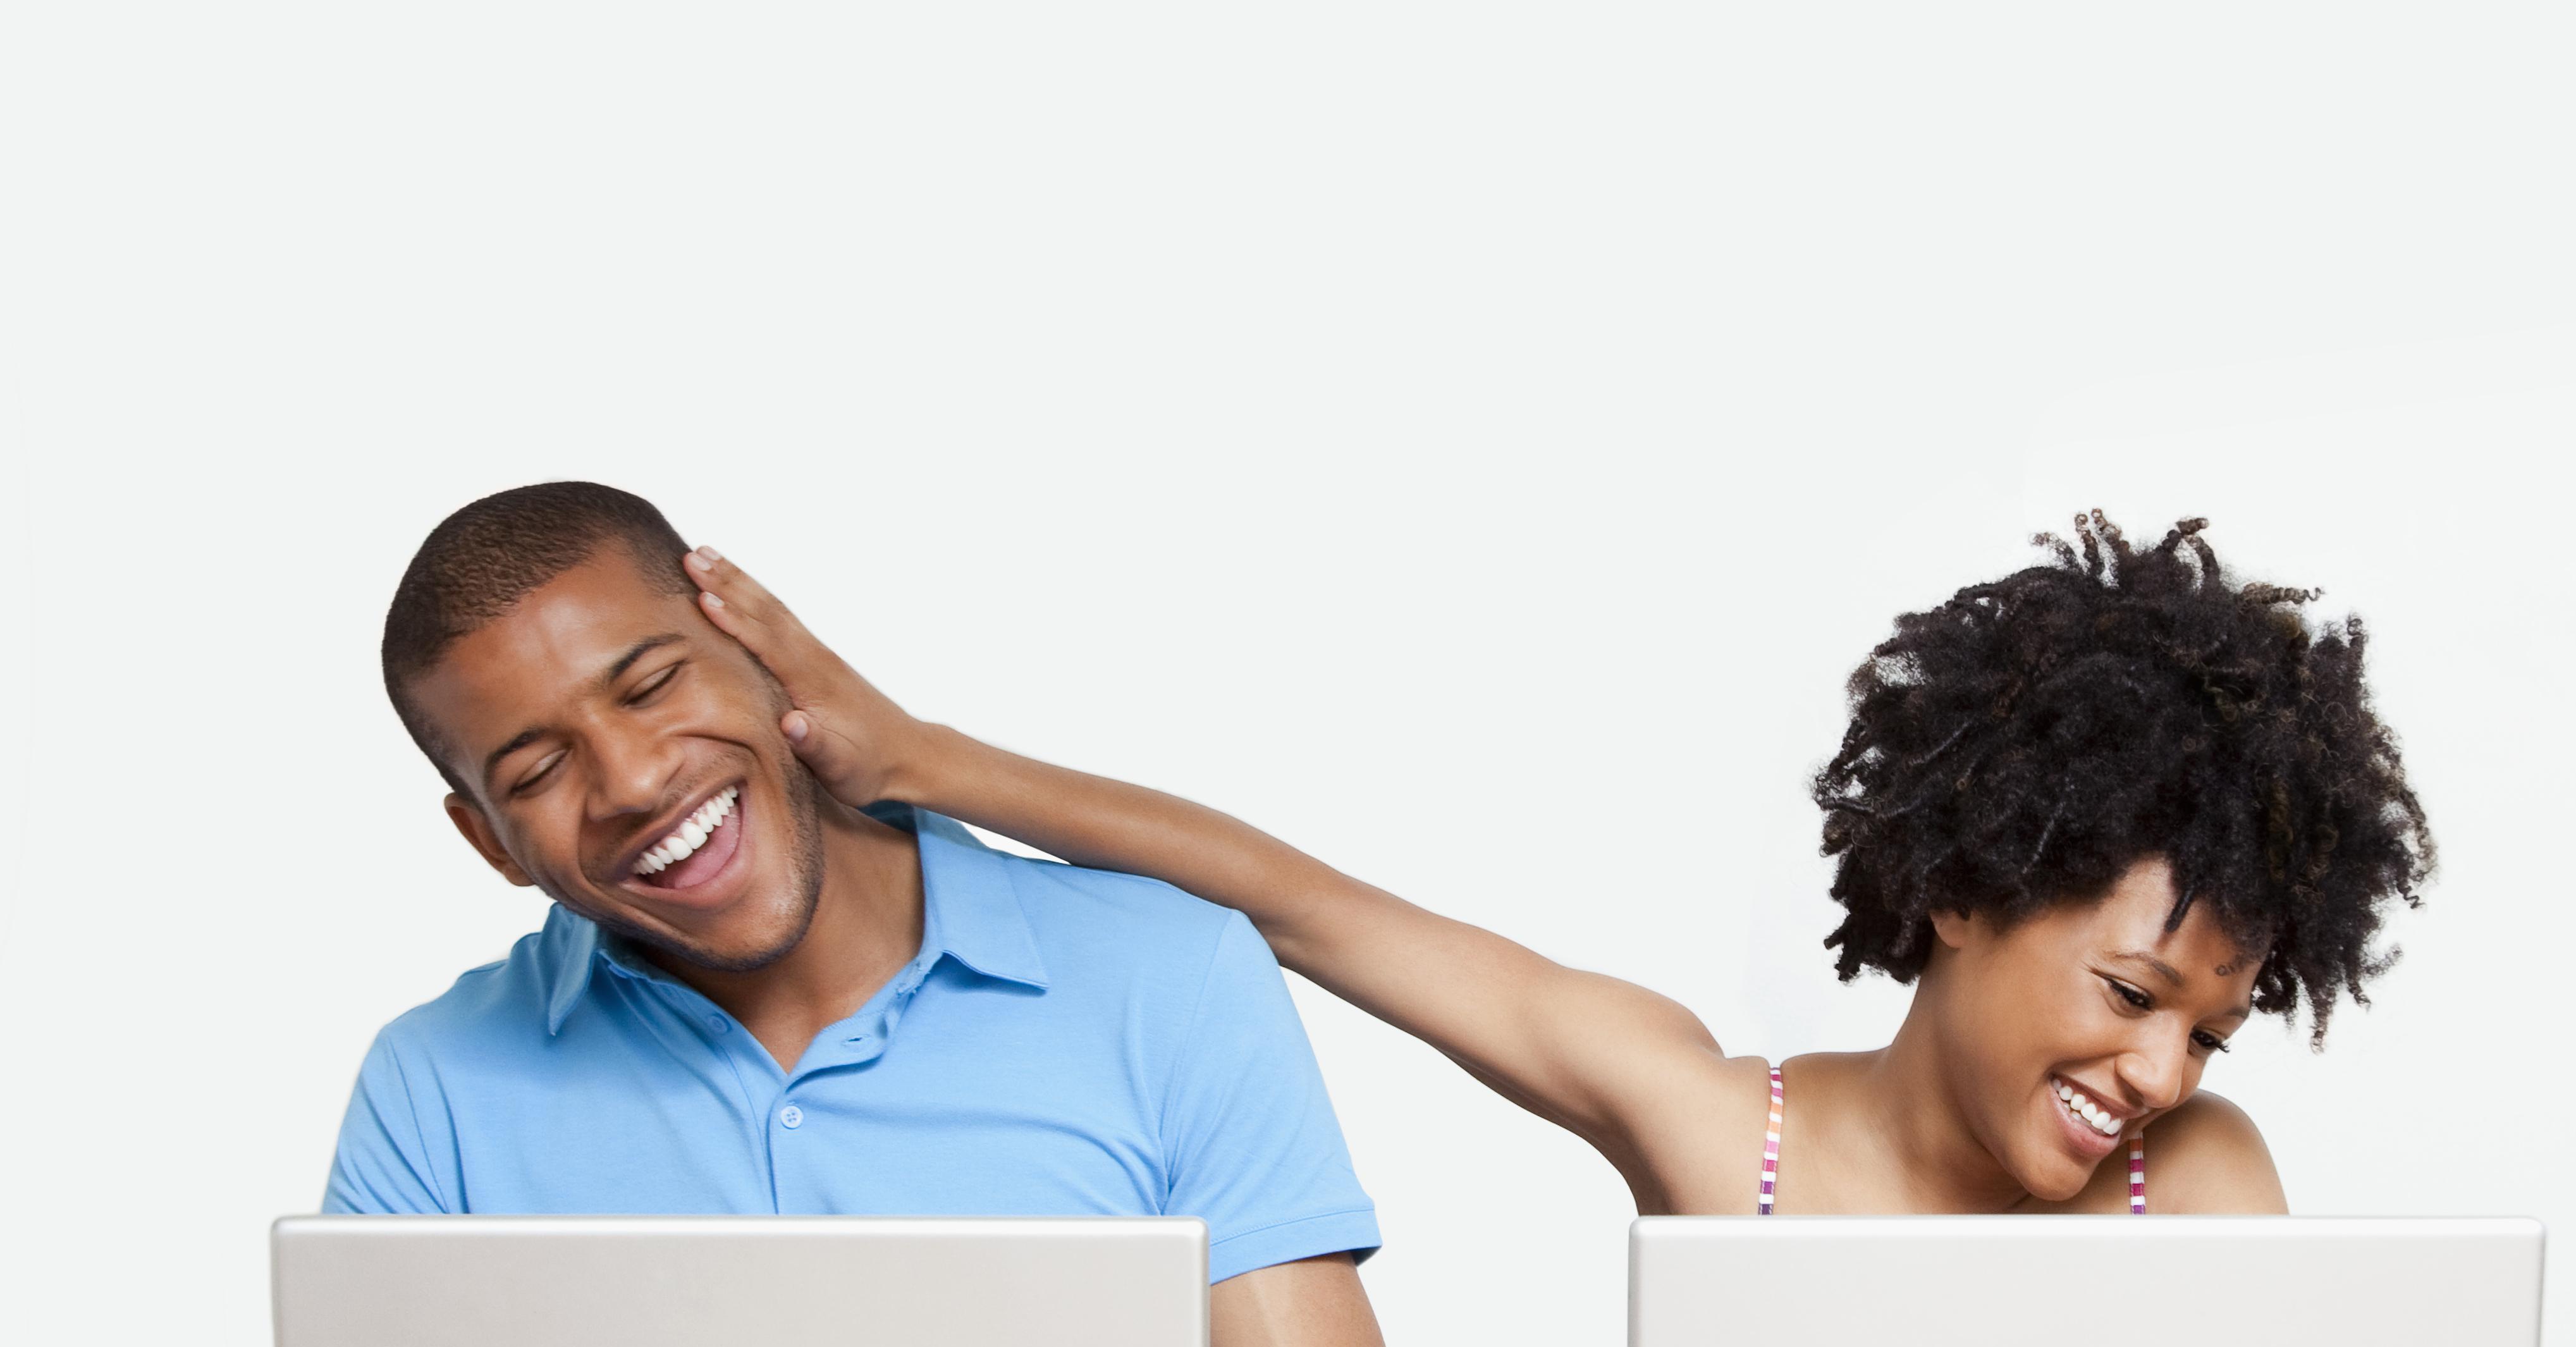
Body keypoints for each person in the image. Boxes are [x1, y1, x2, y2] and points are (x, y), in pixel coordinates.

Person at [236, 483, 1454, 1347]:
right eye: (540, 765)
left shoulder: (1165, 980)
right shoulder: (434, 1089)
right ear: (489, 840)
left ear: (767, 655)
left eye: (652, 684)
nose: (632, 781)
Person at [671, 512, 2432, 1226]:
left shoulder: (2193, 1183)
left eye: (2205, 1033)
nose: (2158, 1073)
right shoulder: (1705, 1127)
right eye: (2133, 995)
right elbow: (1306, 905)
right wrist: (916, 763)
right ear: (1965, 888)